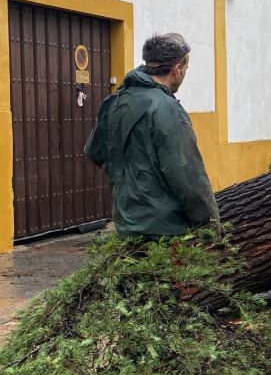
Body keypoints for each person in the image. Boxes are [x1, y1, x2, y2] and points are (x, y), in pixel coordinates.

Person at [84, 32, 219, 240]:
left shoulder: (113, 102)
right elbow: (188, 179)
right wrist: (211, 230)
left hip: (125, 225)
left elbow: (93, 151)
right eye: (185, 69)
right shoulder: (167, 108)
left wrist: (125, 174)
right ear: (176, 69)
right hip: (165, 232)